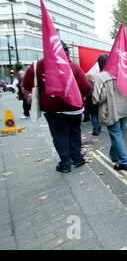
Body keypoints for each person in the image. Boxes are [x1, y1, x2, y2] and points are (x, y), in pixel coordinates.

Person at [23, 41, 90, 173]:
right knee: (74, 132)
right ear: (63, 51)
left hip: (52, 108)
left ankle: (65, 164)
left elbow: (27, 85)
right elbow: (86, 87)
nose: (69, 53)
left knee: (59, 135)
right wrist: (77, 96)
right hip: (73, 107)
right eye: (67, 50)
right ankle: (77, 158)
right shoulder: (73, 67)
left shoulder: (37, 67)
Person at [92, 53, 127, 171]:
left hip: (111, 110)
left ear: (103, 62)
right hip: (124, 108)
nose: (98, 64)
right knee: (119, 134)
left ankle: (125, 161)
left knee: (116, 135)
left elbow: (97, 98)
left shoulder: (101, 77)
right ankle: (114, 155)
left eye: (98, 62)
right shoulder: (121, 73)